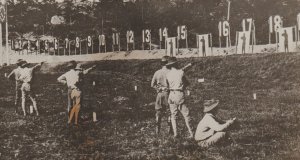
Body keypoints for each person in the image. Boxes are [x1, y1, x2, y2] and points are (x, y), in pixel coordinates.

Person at [166, 57, 193, 138]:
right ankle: (192, 133)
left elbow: (167, 85)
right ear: (176, 64)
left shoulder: (168, 74)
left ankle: (175, 133)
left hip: (171, 94)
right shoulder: (180, 72)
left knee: (173, 115)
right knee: (186, 114)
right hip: (179, 94)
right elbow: (185, 81)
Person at [151, 56, 173, 135]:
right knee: (169, 112)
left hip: (159, 94)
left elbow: (152, 84)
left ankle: (157, 131)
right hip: (168, 94)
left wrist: (159, 88)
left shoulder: (157, 72)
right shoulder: (170, 72)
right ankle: (169, 131)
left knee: (158, 112)